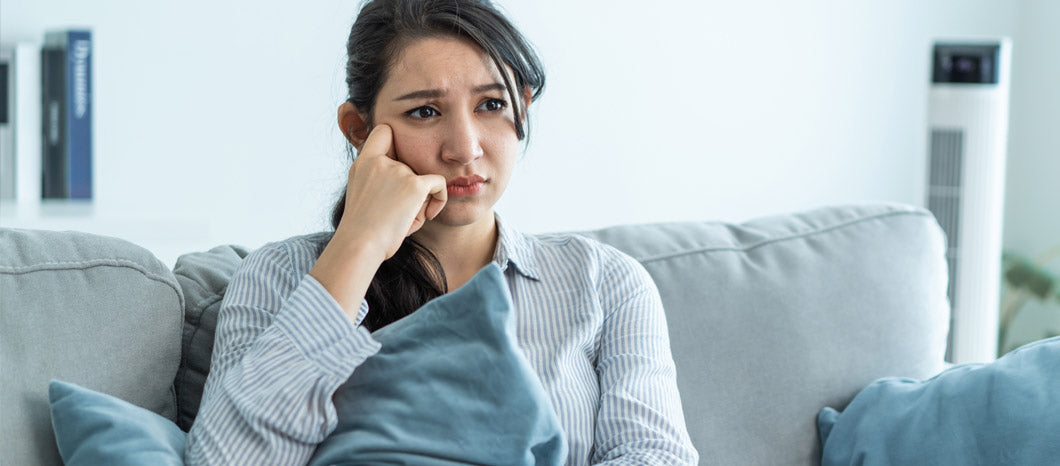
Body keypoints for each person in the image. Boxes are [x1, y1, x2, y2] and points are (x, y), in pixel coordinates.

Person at [185, 0, 698, 464]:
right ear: (360, 131)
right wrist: (359, 247)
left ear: (521, 107)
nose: (465, 147)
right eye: (425, 112)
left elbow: (654, 456)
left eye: (491, 104)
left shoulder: (604, 282)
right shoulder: (281, 276)